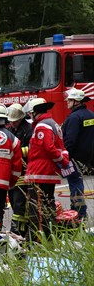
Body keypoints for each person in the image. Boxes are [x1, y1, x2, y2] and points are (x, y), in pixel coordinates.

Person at [24, 98, 72, 239]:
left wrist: (61, 161)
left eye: (30, 113)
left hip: (40, 173)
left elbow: (50, 148)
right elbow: (61, 148)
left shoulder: (42, 126)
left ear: (34, 112)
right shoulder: (54, 124)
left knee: (37, 208)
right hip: (47, 173)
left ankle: (37, 239)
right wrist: (63, 162)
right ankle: (50, 235)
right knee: (48, 204)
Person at [62, 88, 94, 221]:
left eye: (69, 100)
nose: (67, 102)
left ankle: (79, 213)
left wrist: (64, 157)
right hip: (87, 158)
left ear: (76, 101)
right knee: (78, 183)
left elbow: (70, 141)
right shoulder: (90, 114)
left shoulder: (74, 118)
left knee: (75, 184)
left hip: (74, 158)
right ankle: (79, 211)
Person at [6, 103, 32, 236]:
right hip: (13, 172)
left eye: (14, 121)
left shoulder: (29, 130)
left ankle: (20, 231)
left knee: (19, 204)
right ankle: (18, 229)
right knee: (13, 201)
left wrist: (14, 152)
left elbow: (31, 150)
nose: (12, 123)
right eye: (10, 121)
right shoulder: (11, 129)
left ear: (21, 119)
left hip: (24, 172)